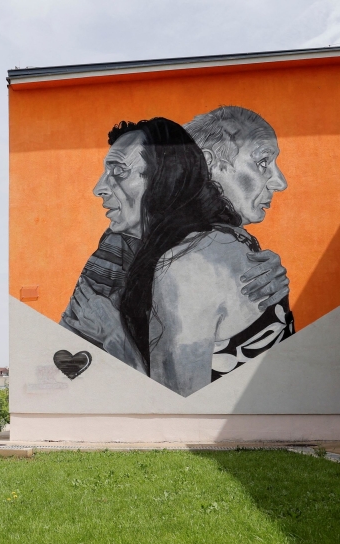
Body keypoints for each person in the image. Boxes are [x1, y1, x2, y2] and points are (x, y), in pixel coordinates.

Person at [61, 107, 292, 391]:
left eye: (119, 172)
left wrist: (114, 336)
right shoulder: (124, 246)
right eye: (263, 162)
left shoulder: (197, 258)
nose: (280, 182)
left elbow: (175, 400)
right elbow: (71, 342)